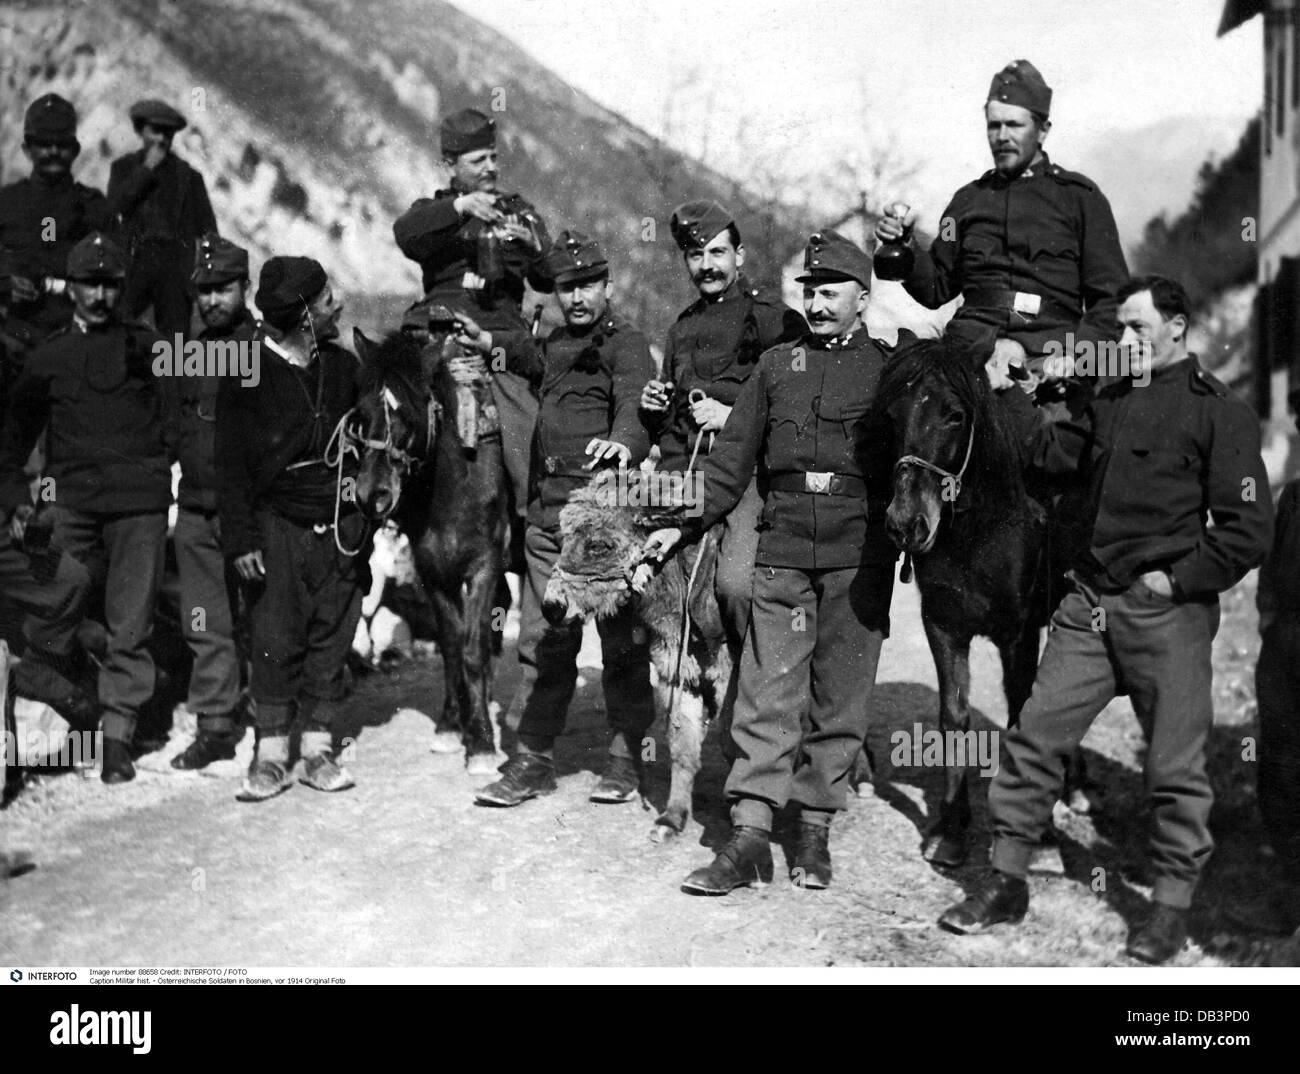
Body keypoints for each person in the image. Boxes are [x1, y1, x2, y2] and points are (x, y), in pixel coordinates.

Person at [939, 275, 1274, 964]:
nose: (1123, 343)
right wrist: (1014, 392)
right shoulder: (1111, 399)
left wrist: (1176, 578)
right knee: (1033, 739)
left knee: (1173, 769)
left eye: (1138, 329)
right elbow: (1049, 456)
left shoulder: (1221, 413)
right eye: (1119, 328)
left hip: (1168, 614)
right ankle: (1005, 882)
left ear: (1179, 328)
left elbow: (1247, 530)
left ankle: (1169, 911)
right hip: (1087, 609)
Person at [646, 230, 903, 894]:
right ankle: (750, 834)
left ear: (862, 297)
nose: (817, 305)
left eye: (831, 292)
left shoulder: (889, 372)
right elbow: (729, 465)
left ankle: (813, 829)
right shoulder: (774, 367)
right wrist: (680, 524)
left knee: (838, 694)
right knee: (765, 692)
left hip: (857, 553)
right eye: (809, 292)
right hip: (782, 549)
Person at [461, 230, 656, 807]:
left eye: (587, 285)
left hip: (602, 520)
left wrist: (624, 442)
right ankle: (533, 760)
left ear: (607, 287)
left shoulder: (628, 344)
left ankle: (625, 761)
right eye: (567, 288)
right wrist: (485, 337)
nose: (576, 298)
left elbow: (634, 401)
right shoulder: (551, 343)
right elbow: (520, 354)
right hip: (548, 518)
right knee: (548, 642)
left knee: (620, 642)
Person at [0, 233, 171, 784]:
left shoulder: (146, 347)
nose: (99, 295)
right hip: (68, 501)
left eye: (109, 284)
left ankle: (117, 736)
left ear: (121, 288)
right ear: (70, 287)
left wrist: (158, 465)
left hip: (137, 504)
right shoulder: (47, 355)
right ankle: (64, 703)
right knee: (57, 595)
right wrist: (24, 502)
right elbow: (13, 444)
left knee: (130, 621)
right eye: (88, 284)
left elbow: (191, 397)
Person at [216, 256, 369, 801]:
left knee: (333, 630)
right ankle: (271, 753)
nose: (339, 305)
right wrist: (240, 540)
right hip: (275, 526)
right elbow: (227, 466)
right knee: (275, 637)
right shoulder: (244, 373)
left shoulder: (345, 368)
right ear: (306, 315)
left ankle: (317, 750)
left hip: (339, 526)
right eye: (328, 299)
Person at [874, 60, 1128, 388]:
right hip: (967, 356)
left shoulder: (1082, 200)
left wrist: (1078, 358)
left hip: (1050, 362)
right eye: (993, 125)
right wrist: (907, 247)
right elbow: (937, 285)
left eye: (1014, 125)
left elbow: (1111, 299)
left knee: (1065, 435)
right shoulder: (963, 204)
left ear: (1043, 130)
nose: (1002, 137)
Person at [639, 200, 805, 699]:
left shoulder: (778, 322)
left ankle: (759, 694)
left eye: (717, 252)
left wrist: (733, 418)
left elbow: (799, 415)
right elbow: (670, 431)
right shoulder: (681, 328)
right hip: (686, 474)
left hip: (749, 478)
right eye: (695, 255)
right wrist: (656, 408)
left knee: (735, 587)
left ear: (740, 255)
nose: (707, 265)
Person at [393, 107, 551, 573]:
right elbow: (405, 234)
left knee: (524, 413)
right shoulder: (434, 213)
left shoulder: (520, 211)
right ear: (450, 165)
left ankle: (531, 515)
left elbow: (548, 276)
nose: (491, 169)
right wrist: (461, 209)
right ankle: (390, 507)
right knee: (392, 402)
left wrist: (534, 244)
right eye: (479, 160)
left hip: (499, 334)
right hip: (437, 331)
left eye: (494, 158)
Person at [166, 234, 256, 770]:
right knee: (203, 620)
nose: (211, 300)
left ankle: (276, 719)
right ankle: (216, 726)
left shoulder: (264, 352)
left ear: (246, 287)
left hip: (253, 513)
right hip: (198, 508)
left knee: (266, 617)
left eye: (223, 288)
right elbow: (172, 419)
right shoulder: (184, 353)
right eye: (203, 290)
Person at [0, 94, 115, 352]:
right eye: (43, 143)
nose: (53, 151)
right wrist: (6, 284)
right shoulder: (6, 203)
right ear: (27, 150)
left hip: (74, 346)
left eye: (61, 144)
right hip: (11, 341)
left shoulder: (94, 208)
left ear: (74, 150)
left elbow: (117, 278)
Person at [1251, 387, 1300, 936]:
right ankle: (1290, 891)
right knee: (1280, 772)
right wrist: (1268, 620)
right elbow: (1269, 568)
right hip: (1285, 647)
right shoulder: (1293, 498)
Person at [107, 99, 217, 337]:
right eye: (155, 131)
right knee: (115, 325)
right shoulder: (124, 168)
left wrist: (201, 278)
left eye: (167, 133)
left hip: (174, 272)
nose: (161, 139)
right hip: (133, 265)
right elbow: (116, 207)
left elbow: (210, 232)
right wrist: (146, 170)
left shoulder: (190, 178)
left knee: (174, 343)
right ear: (140, 130)